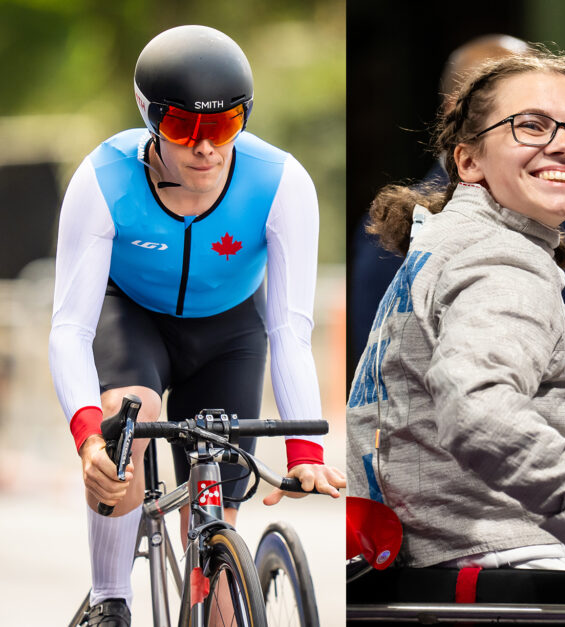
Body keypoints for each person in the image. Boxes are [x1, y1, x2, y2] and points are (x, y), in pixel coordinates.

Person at [48, 25, 345, 626]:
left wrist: (306, 451)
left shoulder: (280, 182)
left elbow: (289, 328)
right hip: (131, 318)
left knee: (215, 539)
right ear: (151, 120)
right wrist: (88, 437)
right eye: (184, 127)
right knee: (124, 434)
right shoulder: (102, 179)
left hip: (230, 334)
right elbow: (69, 329)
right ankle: (112, 600)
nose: (206, 147)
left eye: (226, 125)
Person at [346, 46, 565, 582]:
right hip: (485, 551)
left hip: (428, 539)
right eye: (532, 126)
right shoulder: (502, 260)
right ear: (468, 160)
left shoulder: (448, 237)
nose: (564, 146)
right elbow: (481, 414)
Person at [348, 33, 565, 432]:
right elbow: (467, 412)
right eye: (530, 123)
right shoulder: (431, 240)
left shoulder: (560, 218)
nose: (562, 145)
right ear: (464, 135)